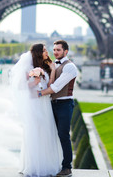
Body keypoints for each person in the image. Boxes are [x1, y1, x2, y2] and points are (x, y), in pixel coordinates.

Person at [10, 43, 62, 177]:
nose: (47, 52)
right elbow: (23, 88)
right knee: (36, 133)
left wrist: (51, 69)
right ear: (39, 53)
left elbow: (50, 86)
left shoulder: (45, 66)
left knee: (46, 133)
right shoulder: (28, 68)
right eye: (44, 50)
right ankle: (35, 166)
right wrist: (36, 80)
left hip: (44, 104)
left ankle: (44, 165)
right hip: (35, 105)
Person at [39, 40, 78, 177]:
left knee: (63, 135)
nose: (55, 52)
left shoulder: (70, 67)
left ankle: (67, 167)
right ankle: (53, 164)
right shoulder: (53, 65)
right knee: (50, 136)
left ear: (66, 51)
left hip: (64, 105)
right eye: (54, 50)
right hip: (52, 104)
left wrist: (38, 93)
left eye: (58, 50)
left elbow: (56, 87)